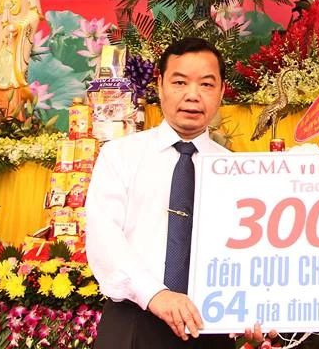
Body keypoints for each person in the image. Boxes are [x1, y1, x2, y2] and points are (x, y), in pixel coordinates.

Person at [86, 37, 233, 349]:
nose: (192, 95)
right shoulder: (120, 155)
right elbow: (104, 238)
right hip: (134, 321)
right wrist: (156, 295)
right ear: (160, 85)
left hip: (210, 325)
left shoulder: (234, 169)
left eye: (206, 84)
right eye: (180, 82)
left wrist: (255, 309)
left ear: (222, 91)